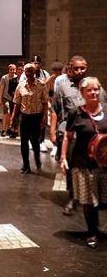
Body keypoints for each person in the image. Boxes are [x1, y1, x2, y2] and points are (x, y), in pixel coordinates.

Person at [60, 77, 107, 249]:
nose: (94, 92)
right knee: (89, 201)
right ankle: (92, 232)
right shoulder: (76, 113)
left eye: (97, 89)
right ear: (82, 93)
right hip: (83, 164)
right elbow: (68, 136)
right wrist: (63, 157)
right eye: (90, 90)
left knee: (103, 199)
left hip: (104, 164)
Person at [50, 55, 89, 216]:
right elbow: (54, 109)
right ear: (70, 68)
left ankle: (91, 195)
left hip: (88, 131)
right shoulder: (63, 87)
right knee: (71, 165)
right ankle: (73, 197)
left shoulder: (92, 85)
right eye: (76, 68)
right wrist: (52, 131)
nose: (79, 71)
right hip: (68, 130)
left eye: (83, 68)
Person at [10, 63, 48, 174]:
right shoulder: (21, 85)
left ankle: (37, 161)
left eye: (31, 71)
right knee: (23, 141)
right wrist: (13, 118)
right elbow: (17, 103)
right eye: (26, 71)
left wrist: (44, 117)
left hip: (36, 116)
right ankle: (26, 165)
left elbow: (45, 103)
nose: (28, 73)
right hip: (25, 116)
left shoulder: (41, 85)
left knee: (35, 141)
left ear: (34, 72)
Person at [0, 64, 17, 136]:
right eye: (11, 69)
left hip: (13, 98)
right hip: (6, 97)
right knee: (7, 113)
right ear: (8, 70)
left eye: (13, 69)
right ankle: (4, 129)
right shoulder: (4, 77)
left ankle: (9, 128)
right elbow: (2, 89)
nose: (12, 71)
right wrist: (0, 99)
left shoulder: (17, 77)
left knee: (12, 114)